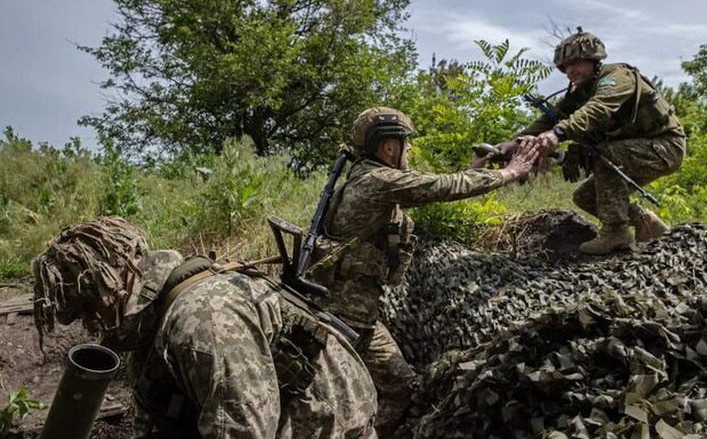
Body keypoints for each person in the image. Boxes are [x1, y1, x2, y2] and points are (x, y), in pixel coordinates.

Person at [305, 106, 541, 434]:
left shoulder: (370, 176)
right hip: (342, 318)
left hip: (359, 315)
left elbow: (435, 184)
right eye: (406, 143)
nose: (410, 150)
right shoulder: (377, 180)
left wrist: (473, 171)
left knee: (400, 385)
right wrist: (510, 172)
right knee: (340, 402)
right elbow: (439, 187)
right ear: (389, 147)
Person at [31, 216, 378, 439]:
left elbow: (243, 431)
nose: (90, 323)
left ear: (118, 276)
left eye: (90, 305)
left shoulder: (202, 319)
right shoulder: (150, 322)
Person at [497, 28, 686, 255]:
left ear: (593, 60)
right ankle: (644, 221)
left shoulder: (617, 76)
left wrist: (558, 133)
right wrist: (514, 143)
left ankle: (616, 232)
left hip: (666, 146)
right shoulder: (580, 93)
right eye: (564, 67)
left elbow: (597, 110)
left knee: (606, 155)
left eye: (574, 63)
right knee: (585, 197)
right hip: (638, 149)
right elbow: (550, 119)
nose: (569, 71)